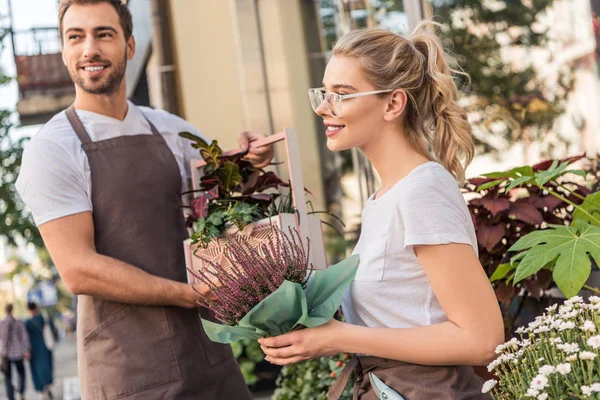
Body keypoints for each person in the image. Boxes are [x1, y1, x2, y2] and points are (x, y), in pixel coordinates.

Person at [16, 0, 273, 398]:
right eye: (76, 37)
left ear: (130, 46)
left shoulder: (172, 130)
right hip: (126, 370)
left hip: (208, 354)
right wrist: (187, 294)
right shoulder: (53, 149)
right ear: (65, 52)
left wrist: (252, 163)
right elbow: (79, 269)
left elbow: (223, 200)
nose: (90, 49)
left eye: (104, 34)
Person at [259, 21, 504, 399]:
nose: (324, 108)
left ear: (392, 103)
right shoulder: (382, 199)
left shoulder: (422, 190)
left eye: (342, 94)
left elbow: (482, 340)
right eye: (323, 92)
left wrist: (339, 338)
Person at [0, 304, 30, 400]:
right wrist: (26, 349)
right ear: (12, 310)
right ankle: (21, 392)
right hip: (18, 353)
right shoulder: (18, 322)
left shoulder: (1, 323)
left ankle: (11, 397)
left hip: (5, 354)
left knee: (8, 377)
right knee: (21, 373)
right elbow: (24, 337)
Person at [25, 303, 54, 400]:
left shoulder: (27, 322)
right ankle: (48, 386)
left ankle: (41, 391)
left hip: (33, 350)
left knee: (36, 370)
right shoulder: (43, 318)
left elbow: (25, 338)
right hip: (45, 346)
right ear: (36, 308)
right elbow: (51, 329)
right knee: (47, 366)